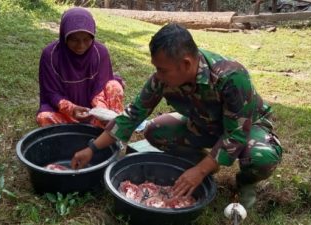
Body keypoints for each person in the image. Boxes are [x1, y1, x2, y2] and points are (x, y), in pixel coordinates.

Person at [71, 23, 282, 209]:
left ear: (187, 64)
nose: (158, 75)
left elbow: (235, 134)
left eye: (163, 70)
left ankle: (245, 183)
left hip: (246, 128)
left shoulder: (230, 77)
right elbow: (133, 115)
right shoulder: (162, 77)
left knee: (261, 159)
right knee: (154, 130)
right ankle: (207, 163)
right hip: (205, 125)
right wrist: (92, 148)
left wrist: (199, 172)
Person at [36, 7, 124, 128]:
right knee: (44, 118)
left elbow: (101, 87)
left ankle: (111, 128)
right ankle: (85, 128)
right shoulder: (50, 55)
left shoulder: (100, 52)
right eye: (74, 40)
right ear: (64, 36)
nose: (81, 46)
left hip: (94, 112)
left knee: (114, 86)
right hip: (66, 113)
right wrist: (72, 109)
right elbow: (51, 93)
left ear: (93, 37)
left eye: (87, 39)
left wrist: (100, 112)